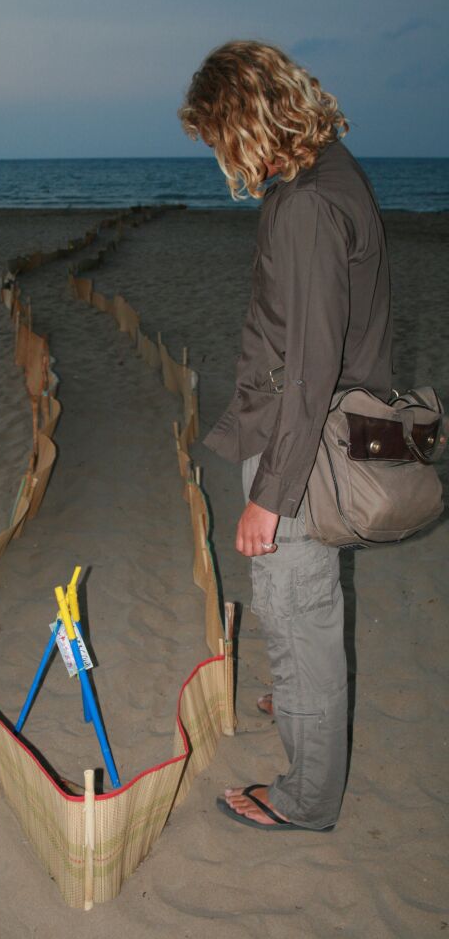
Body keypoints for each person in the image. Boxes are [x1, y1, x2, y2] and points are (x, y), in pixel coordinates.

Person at [179, 41, 393, 831]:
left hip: (300, 453)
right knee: (301, 615)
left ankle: (305, 799)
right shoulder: (332, 170)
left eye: (218, 136)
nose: (220, 154)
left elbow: (308, 370)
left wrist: (270, 497)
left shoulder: (307, 205)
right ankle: (304, 698)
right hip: (316, 439)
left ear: (246, 120)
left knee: (301, 613)